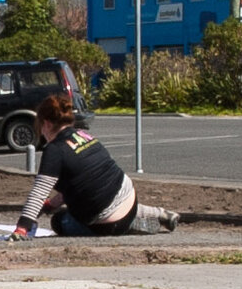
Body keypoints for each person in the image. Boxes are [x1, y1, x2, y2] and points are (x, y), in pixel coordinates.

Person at [9, 87, 175, 237]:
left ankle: (130, 226)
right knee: (107, 201)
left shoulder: (55, 150)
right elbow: (81, 183)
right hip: (129, 196)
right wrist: (52, 204)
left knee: (60, 221)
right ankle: (157, 213)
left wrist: (22, 227)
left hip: (109, 222)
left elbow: (39, 192)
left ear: (46, 123)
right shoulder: (83, 135)